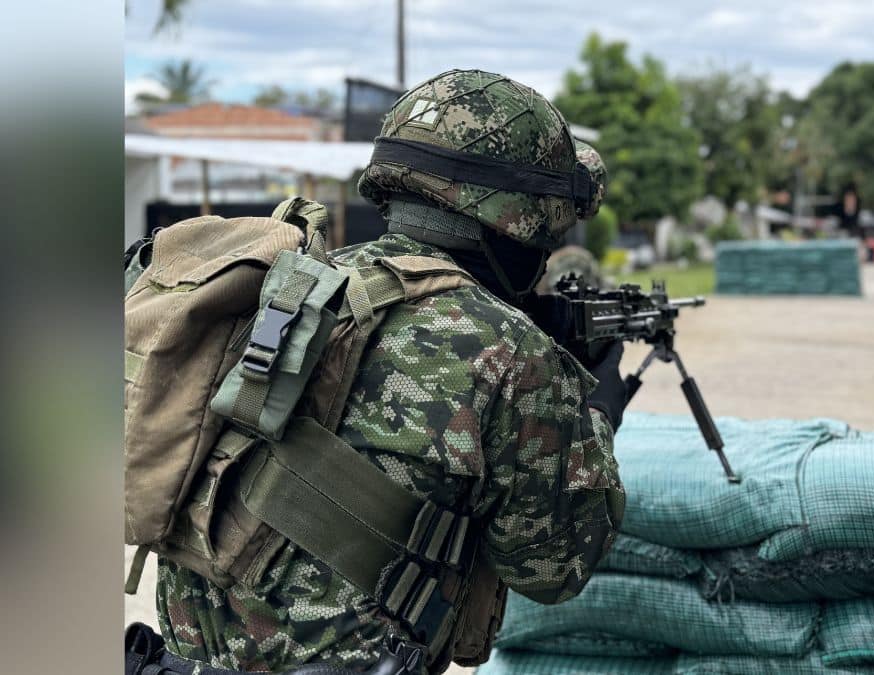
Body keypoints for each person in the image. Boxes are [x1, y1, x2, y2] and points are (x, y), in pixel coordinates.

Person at [147, 69, 627, 674]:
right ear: (523, 216)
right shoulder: (509, 350)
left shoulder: (290, 286)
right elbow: (554, 568)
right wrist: (596, 415)